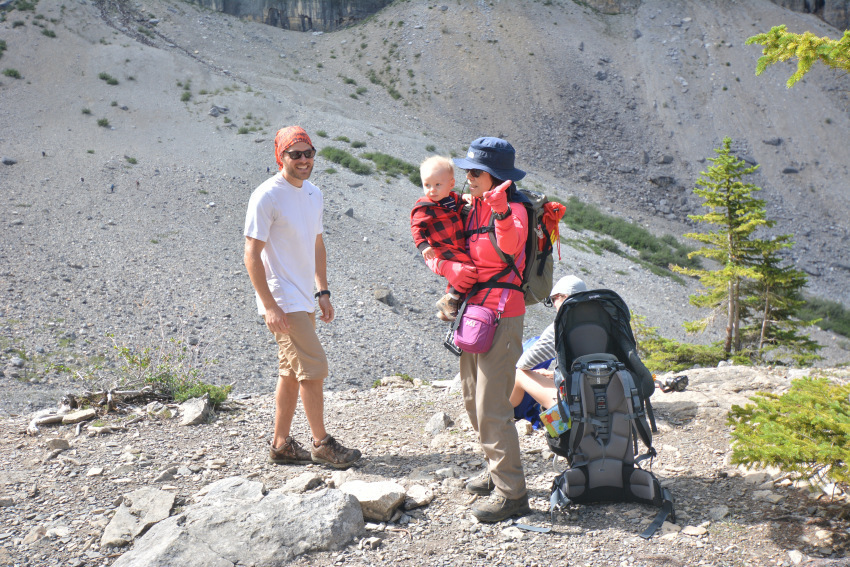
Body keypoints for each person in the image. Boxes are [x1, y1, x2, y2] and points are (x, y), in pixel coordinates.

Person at [244, 126, 361, 469]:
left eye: (308, 153)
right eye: (295, 154)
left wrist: (322, 290)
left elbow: (317, 244)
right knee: (313, 367)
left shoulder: (313, 193)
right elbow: (251, 254)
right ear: (280, 157)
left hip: (304, 297)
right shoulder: (266, 196)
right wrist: (268, 305)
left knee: (291, 372)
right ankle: (321, 444)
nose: (304, 160)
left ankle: (280, 445)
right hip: (282, 299)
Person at [431, 137, 530, 522]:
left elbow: (511, 243)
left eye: (475, 172)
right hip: (475, 313)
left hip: (503, 313)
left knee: (492, 405)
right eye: (467, 170)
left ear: (495, 177)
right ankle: (495, 470)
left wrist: (502, 211)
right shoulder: (471, 208)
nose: (467, 177)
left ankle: (512, 494)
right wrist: (444, 269)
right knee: (474, 399)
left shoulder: (515, 209)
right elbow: (451, 252)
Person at [510, 276, 588, 423]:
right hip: (609, 397)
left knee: (520, 373)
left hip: (578, 401)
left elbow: (524, 363)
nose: (553, 305)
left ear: (564, 297)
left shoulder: (561, 325)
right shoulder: (603, 322)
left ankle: (503, 413)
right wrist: (553, 374)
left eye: (553, 299)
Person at [410, 156, 477, 321]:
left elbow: (459, 203)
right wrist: (423, 246)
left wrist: (465, 198)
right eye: (427, 185)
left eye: (438, 185)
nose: (432, 190)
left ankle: (449, 305)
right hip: (443, 247)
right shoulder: (426, 207)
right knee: (468, 270)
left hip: (455, 245)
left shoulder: (452, 199)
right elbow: (416, 228)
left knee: (463, 272)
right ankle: (450, 300)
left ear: (451, 184)